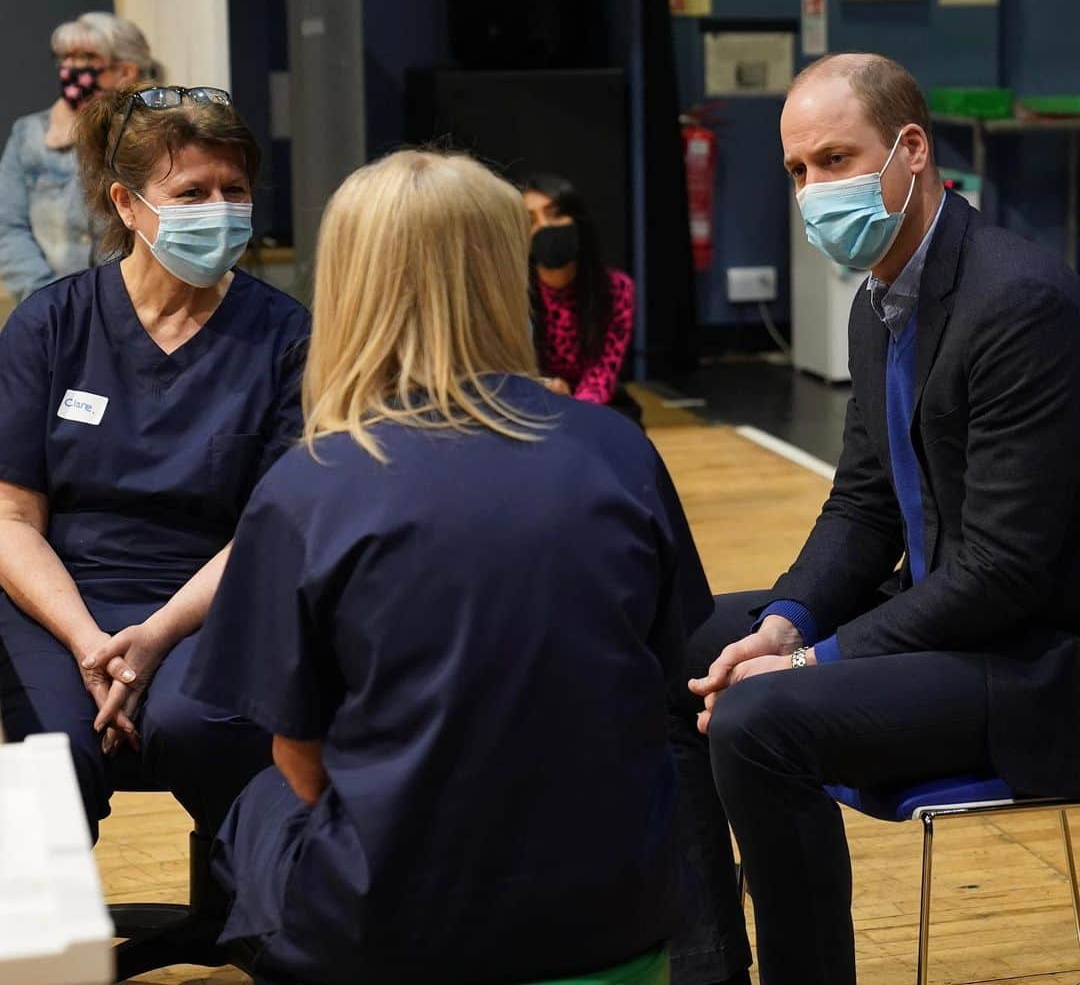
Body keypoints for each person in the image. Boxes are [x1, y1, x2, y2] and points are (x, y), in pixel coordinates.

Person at [183, 149, 712, 985]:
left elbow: (300, 759)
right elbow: (660, 671)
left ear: (349, 286)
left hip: (402, 936)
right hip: (618, 914)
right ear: (504, 274)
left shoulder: (309, 485)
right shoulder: (618, 448)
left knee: (253, 806)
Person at [674, 53, 1080, 985]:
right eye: (798, 171)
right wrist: (783, 623)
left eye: (833, 159)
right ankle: (706, 964)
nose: (814, 190)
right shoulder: (879, 304)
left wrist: (812, 662)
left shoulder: (1019, 302)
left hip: (1035, 662)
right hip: (952, 620)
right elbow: (862, 503)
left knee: (757, 721)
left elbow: (1007, 573)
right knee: (684, 647)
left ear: (910, 149)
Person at [0, 84, 310, 845]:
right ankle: (52, 957)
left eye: (233, 190)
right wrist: (85, 641)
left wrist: (158, 634)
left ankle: (265, 917)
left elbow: (273, 528)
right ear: (128, 204)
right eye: (192, 192)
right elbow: (10, 518)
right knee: (54, 751)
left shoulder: (283, 336)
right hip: (61, 598)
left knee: (193, 723)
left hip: (213, 602)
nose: (221, 209)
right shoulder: (53, 322)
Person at [0, 12, 159, 302]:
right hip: (51, 307)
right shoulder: (29, 135)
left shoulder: (156, 136)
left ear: (126, 70)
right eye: (65, 57)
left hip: (137, 304)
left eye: (85, 57)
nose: (71, 67)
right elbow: (8, 227)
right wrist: (46, 299)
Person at [523, 172, 639, 421]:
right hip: (532, 403)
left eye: (553, 213)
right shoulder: (514, 293)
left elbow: (603, 372)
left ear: (575, 219)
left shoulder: (617, 289)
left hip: (594, 406)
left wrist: (575, 412)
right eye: (530, 220)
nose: (544, 226)